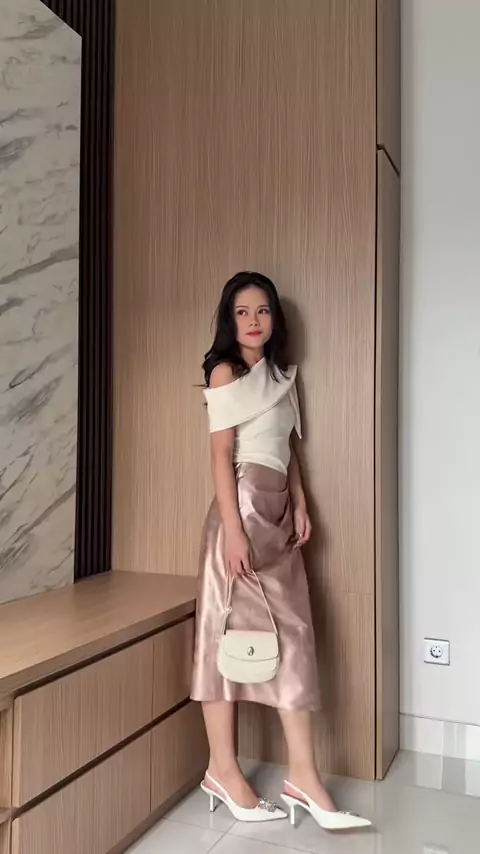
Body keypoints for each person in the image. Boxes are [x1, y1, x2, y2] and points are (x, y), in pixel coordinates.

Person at [191, 272, 370, 831]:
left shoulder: (283, 376)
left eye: (263, 310)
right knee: (223, 640)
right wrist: (233, 530)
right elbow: (221, 454)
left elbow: (287, 448)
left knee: (293, 635)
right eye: (243, 312)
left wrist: (300, 501)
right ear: (230, 319)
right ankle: (223, 770)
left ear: (275, 318)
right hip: (240, 512)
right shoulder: (225, 372)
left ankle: (303, 778)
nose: (253, 321)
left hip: (277, 512)